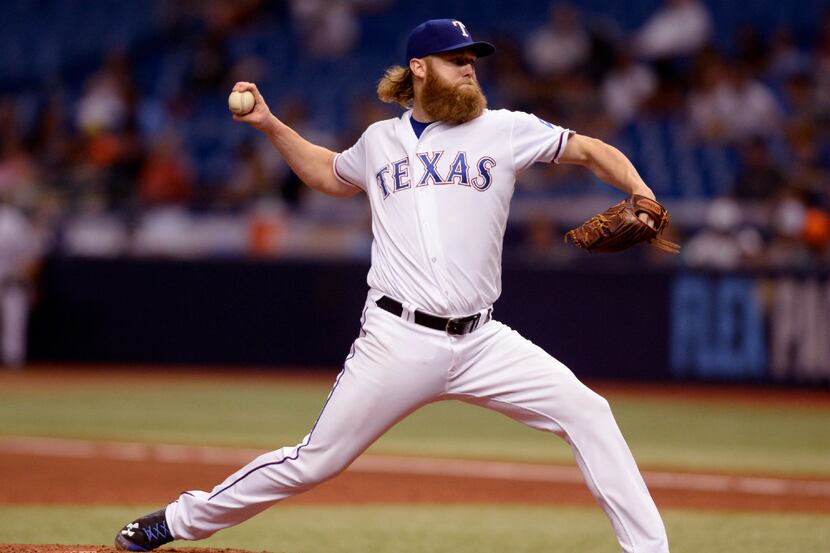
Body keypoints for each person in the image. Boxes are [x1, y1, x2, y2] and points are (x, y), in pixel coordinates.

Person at [115, 19, 670, 553]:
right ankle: (176, 520)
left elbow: (592, 150)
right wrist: (269, 124)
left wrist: (641, 190)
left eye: (473, 61)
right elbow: (330, 174)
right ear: (419, 68)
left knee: (588, 412)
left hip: (483, 340)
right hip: (397, 338)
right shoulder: (380, 139)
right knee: (316, 460)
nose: (470, 70)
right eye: (457, 62)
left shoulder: (504, 129)